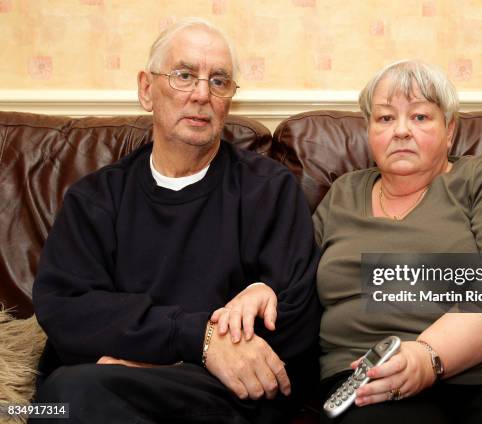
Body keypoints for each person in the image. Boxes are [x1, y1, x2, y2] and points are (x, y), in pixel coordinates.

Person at [31, 17, 320, 424]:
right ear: (146, 90)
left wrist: (157, 366)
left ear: (228, 100)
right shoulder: (94, 199)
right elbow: (68, 311)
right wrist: (199, 339)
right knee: (56, 403)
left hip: (223, 399)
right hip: (109, 391)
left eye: (219, 81)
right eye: (184, 75)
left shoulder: (269, 190)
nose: (202, 93)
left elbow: (296, 324)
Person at [311, 60, 482, 423]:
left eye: (420, 117)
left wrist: (427, 356)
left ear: (450, 130)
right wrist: (259, 289)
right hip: (375, 380)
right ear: (368, 130)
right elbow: (293, 277)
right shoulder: (343, 195)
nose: (400, 131)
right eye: (384, 118)